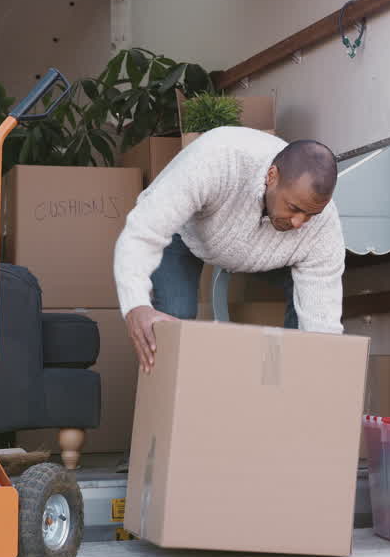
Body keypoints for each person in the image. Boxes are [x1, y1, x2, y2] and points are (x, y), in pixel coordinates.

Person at [113, 126, 345, 373]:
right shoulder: (218, 159)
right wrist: (135, 305)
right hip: (187, 232)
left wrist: (322, 377)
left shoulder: (323, 226)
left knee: (311, 339)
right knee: (173, 320)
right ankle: (162, 395)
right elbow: (144, 230)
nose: (299, 222)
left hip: (262, 252)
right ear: (272, 176)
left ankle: (289, 387)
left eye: (310, 214)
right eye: (294, 208)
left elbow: (323, 325)